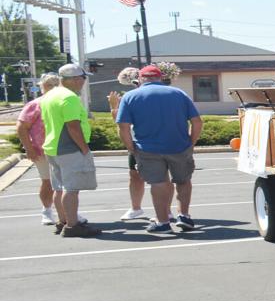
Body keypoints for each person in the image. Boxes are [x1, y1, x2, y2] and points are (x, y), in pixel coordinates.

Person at [115, 64, 204, 234]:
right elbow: (197, 122)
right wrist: (191, 142)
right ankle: (184, 215)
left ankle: (163, 222)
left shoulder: (130, 96)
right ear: (160, 77)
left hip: (147, 148)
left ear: (141, 78)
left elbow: (123, 126)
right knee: (183, 181)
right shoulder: (178, 93)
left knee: (158, 184)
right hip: (179, 146)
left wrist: (131, 147)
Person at [39, 63, 99, 238]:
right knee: (71, 189)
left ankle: (63, 221)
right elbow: (73, 126)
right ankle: (73, 226)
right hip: (68, 148)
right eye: (82, 78)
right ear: (74, 79)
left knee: (59, 188)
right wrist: (84, 149)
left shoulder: (50, 95)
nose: (83, 82)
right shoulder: (69, 97)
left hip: (52, 147)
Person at [15, 73, 64, 226]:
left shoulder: (63, 102)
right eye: (48, 86)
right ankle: (47, 211)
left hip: (64, 149)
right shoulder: (35, 105)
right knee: (48, 182)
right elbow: (21, 127)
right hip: (42, 150)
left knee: (67, 184)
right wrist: (28, 148)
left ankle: (68, 212)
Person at [107, 67, 150, 221]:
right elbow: (121, 122)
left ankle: (166, 210)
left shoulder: (150, 97)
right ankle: (136, 208)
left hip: (153, 140)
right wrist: (114, 107)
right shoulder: (130, 97)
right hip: (135, 141)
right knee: (134, 176)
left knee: (162, 176)